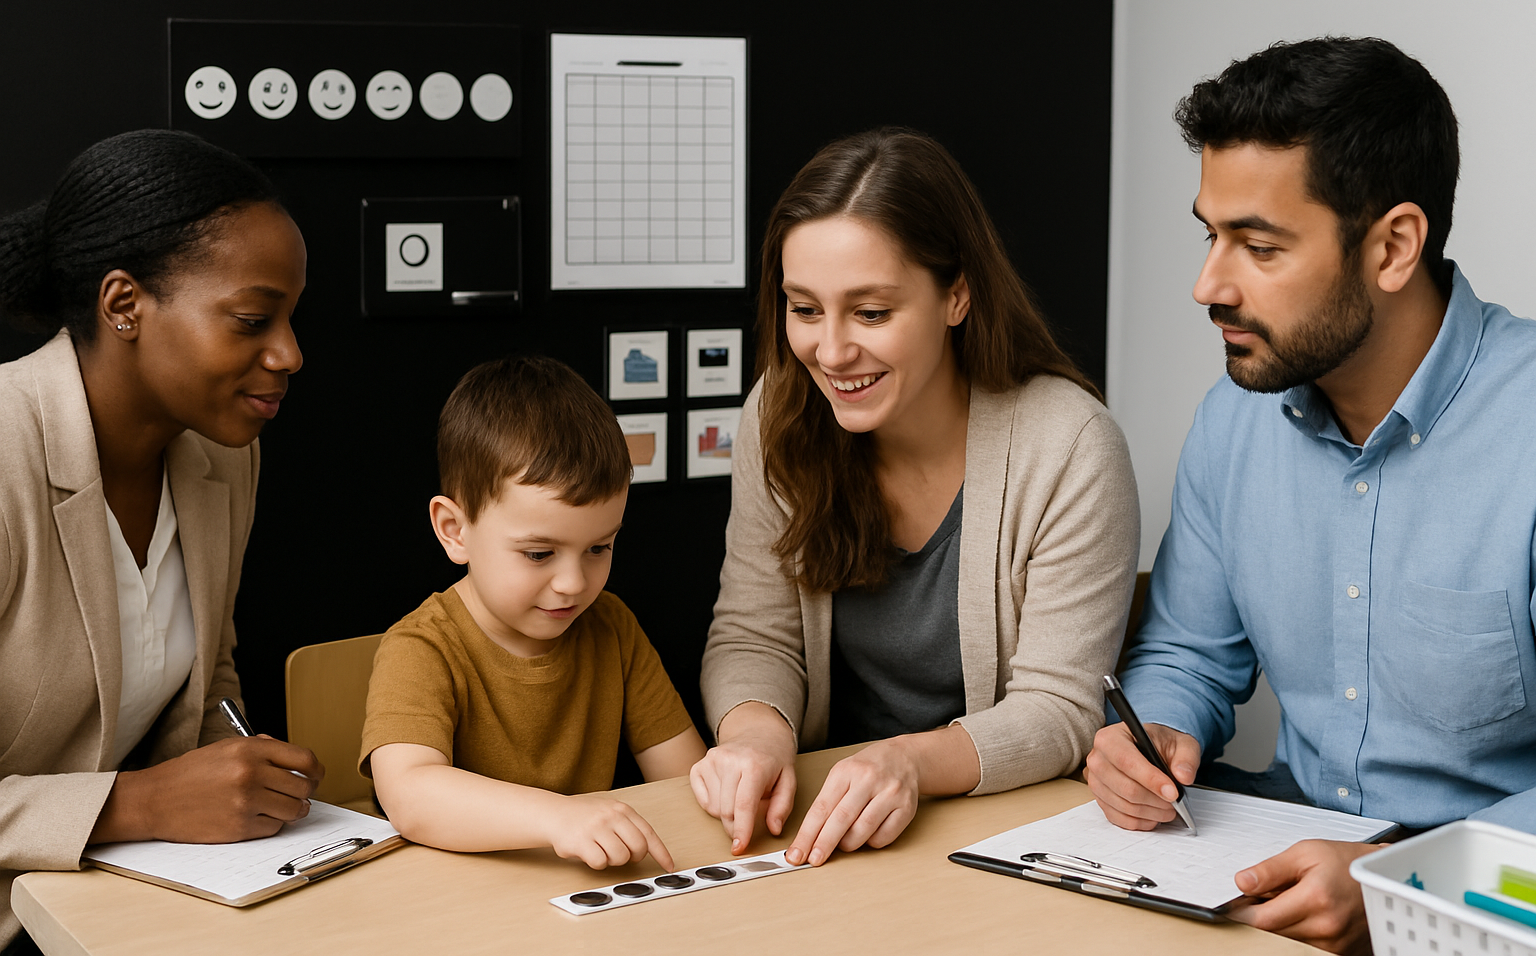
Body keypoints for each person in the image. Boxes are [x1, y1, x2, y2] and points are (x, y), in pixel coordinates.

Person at [1085, 36, 1536, 954]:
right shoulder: (1234, 418)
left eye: (1259, 246)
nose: (1208, 286)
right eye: (1211, 235)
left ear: (1393, 247)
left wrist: (1404, 885)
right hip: (1271, 890)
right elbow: (1187, 653)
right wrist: (1155, 731)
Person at [692, 128, 1141, 867]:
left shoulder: (1070, 444)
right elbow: (753, 634)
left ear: (956, 294)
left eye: (871, 313)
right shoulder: (777, 414)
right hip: (826, 824)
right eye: (805, 309)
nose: (831, 352)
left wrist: (907, 762)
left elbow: (1060, 709)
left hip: (997, 828)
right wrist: (756, 736)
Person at [0, 129, 322, 954]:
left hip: (116, 906)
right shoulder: (5, 454)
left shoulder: (225, 455)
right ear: (124, 305)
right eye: (252, 320)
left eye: (290, 319)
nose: (289, 354)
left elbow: (209, 674)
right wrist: (141, 803)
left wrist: (244, 776)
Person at [361, 355, 706, 870]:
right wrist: (558, 818)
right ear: (455, 531)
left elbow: (682, 780)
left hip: (584, 890)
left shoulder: (611, 626)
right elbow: (409, 794)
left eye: (599, 548)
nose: (574, 584)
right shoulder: (422, 648)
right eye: (539, 554)